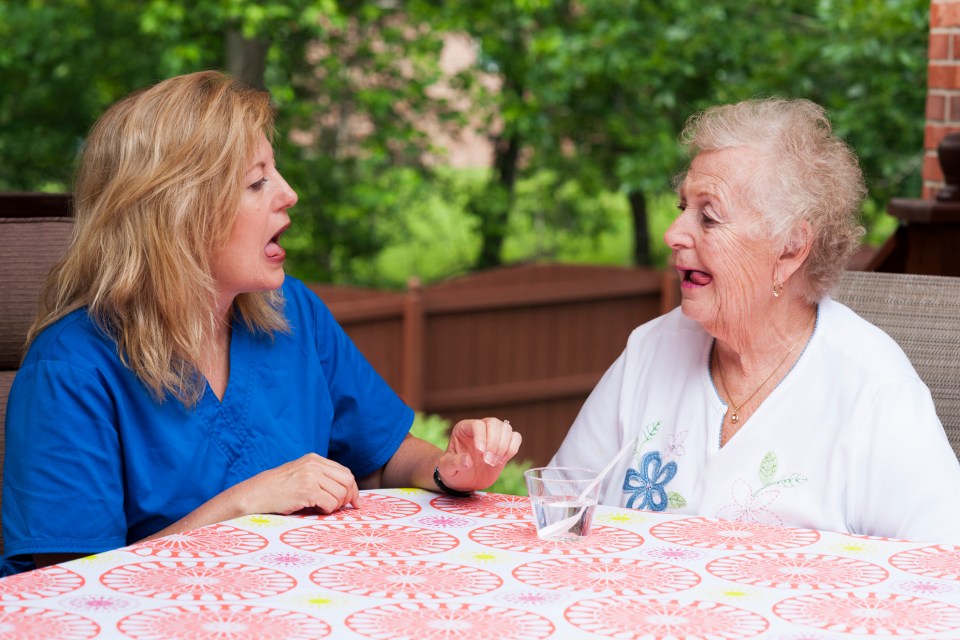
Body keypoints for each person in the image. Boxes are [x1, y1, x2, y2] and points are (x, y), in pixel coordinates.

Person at [1, 71, 521, 576]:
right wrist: (244, 503)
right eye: (257, 181)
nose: (289, 193)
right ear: (177, 214)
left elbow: (381, 457)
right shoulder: (69, 369)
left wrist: (448, 469)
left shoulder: (293, 311)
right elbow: (72, 588)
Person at [552, 97, 960, 543]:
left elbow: (941, 567)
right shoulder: (652, 349)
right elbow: (559, 511)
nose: (673, 235)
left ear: (790, 248)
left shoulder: (873, 390)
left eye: (708, 217)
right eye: (682, 208)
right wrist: (465, 487)